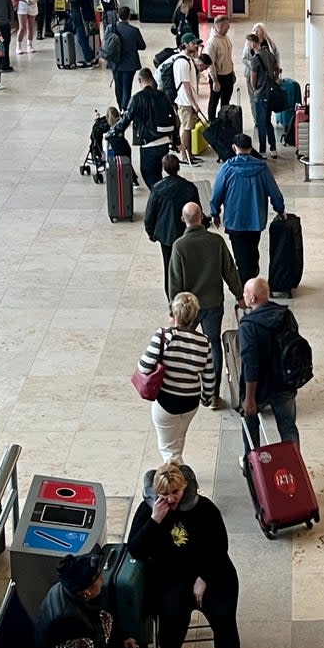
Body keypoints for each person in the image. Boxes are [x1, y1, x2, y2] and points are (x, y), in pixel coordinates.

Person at [128, 463, 239, 648]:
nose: (171, 498)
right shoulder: (148, 511)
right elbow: (136, 550)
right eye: (164, 494)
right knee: (170, 629)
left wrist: (203, 577)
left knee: (224, 623)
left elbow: (219, 548)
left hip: (211, 570)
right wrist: (154, 521)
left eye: (175, 491)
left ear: (185, 487)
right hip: (171, 577)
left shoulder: (205, 508)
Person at [168, 201, 245, 408]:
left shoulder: (179, 246)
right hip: (212, 304)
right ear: (201, 217)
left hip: (187, 308)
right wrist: (239, 295)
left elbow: (174, 282)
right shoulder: (216, 241)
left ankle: (185, 389)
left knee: (184, 345)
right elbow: (230, 270)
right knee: (213, 346)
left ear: (183, 219)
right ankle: (212, 395)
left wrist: (173, 311)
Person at [137, 292, 215, 464]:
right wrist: (206, 398)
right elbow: (209, 375)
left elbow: (144, 366)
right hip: (190, 403)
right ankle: (179, 476)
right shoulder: (204, 341)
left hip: (166, 402)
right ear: (195, 316)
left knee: (168, 450)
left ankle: (178, 482)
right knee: (178, 441)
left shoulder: (163, 336)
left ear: (173, 315)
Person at [208, 134, 285, 283]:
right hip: (256, 220)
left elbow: (217, 193)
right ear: (250, 148)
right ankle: (250, 277)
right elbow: (274, 192)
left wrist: (214, 212)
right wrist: (280, 209)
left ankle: (246, 288)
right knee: (252, 251)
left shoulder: (227, 168)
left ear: (234, 147)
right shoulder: (262, 168)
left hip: (235, 221)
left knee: (240, 256)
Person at [238, 278, 300, 457]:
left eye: (245, 293)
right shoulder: (285, 315)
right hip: (285, 382)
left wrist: (249, 398)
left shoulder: (249, 326)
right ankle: (294, 464)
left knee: (251, 428)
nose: (243, 296)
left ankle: (254, 467)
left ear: (252, 298)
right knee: (288, 428)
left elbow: (251, 364)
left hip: (260, 387)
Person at [35, 553, 139, 648]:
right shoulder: (69, 622)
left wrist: (122, 639)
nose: (103, 579)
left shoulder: (69, 588)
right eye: (98, 577)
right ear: (87, 591)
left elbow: (102, 619)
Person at [109, 67, 177, 190]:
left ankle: (160, 200)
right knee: (158, 173)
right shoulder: (163, 96)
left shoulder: (138, 98)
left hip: (148, 144)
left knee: (149, 175)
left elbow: (126, 119)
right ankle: (161, 198)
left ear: (140, 80)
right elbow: (174, 119)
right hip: (165, 143)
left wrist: (112, 132)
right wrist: (177, 141)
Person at [144, 154, 200, 293]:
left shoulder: (157, 189)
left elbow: (150, 214)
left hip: (166, 235)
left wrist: (150, 231)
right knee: (187, 266)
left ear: (164, 168)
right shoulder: (189, 187)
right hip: (186, 233)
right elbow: (197, 210)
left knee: (169, 267)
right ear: (178, 167)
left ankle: (172, 298)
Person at [246, 33, 280, 159]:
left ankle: (262, 150)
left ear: (252, 43)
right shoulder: (270, 55)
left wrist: (255, 89)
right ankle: (273, 148)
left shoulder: (255, 59)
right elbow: (277, 69)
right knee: (268, 122)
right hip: (271, 92)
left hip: (261, 94)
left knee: (261, 123)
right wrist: (274, 80)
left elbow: (253, 79)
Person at [108, 6, 147, 111]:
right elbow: (142, 46)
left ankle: (120, 105)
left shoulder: (110, 28)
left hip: (115, 63)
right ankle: (124, 110)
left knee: (118, 86)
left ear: (117, 16)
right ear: (129, 16)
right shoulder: (134, 30)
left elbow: (106, 44)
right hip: (130, 64)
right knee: (127, 87)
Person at [173, 33, 201, 163]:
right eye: (193, 43)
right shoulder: (182, 62)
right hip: (185, 101)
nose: (195, 45)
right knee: (185, 127)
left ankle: (189, 154)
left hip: (188, 100)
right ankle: (185, 156)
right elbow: (185, 85)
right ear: (185, 44)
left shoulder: (188, 59)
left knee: (188, 127)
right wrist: (194, 103)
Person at [205, 15, 235, 120]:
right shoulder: (212, 43)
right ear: (221, 25)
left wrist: (232, 72)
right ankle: (212, 121)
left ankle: (224, 121)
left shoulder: (225, 37)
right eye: (227, 25)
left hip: (228, 74)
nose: (229, 27)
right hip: (218, 77)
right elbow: (210, 63)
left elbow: (228, 56)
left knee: (226, 101)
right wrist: (215, 80)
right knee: (214, 100)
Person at [67, 0, 97, 66]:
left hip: (81, 19)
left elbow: (75, 0)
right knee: (84, 38)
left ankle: (89, 59)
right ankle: (91, 57)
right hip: (86, 17)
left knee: (82, 39)